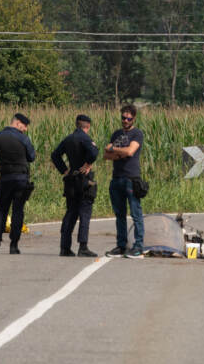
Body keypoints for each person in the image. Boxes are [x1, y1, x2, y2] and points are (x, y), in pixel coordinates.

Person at [51, 115, 99, 257]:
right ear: (87, 126)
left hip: (71, 178)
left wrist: (64, 170)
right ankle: (83, 247)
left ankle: (64, 247)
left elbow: (55, 155)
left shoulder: (68, 138)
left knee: (71, 212)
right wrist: (88, 164)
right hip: (83, 179)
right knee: (84, 213)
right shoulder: (85, 138)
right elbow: (94, 152)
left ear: (76, 124)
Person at [0, 113, 35, 255]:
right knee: (17, 211)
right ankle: (14, 245)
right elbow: (31, 157)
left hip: (5, 178)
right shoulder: (22, 138)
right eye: (24, 126)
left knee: (1, 210)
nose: (25, 129)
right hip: (20, 179)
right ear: (17, 123)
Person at [104, 105, 145, 259]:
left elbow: (130, 151)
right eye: (123, 118)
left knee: (136, 213)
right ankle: (121, 245)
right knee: (119, 214)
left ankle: (138, 246)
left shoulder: (137, 133)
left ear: (134, 118)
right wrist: (118, 153)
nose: (125, 121)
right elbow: (106, 156)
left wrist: (114, 149)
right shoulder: (116, 134)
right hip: (117, 178)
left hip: (131, 178)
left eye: (128, 118)